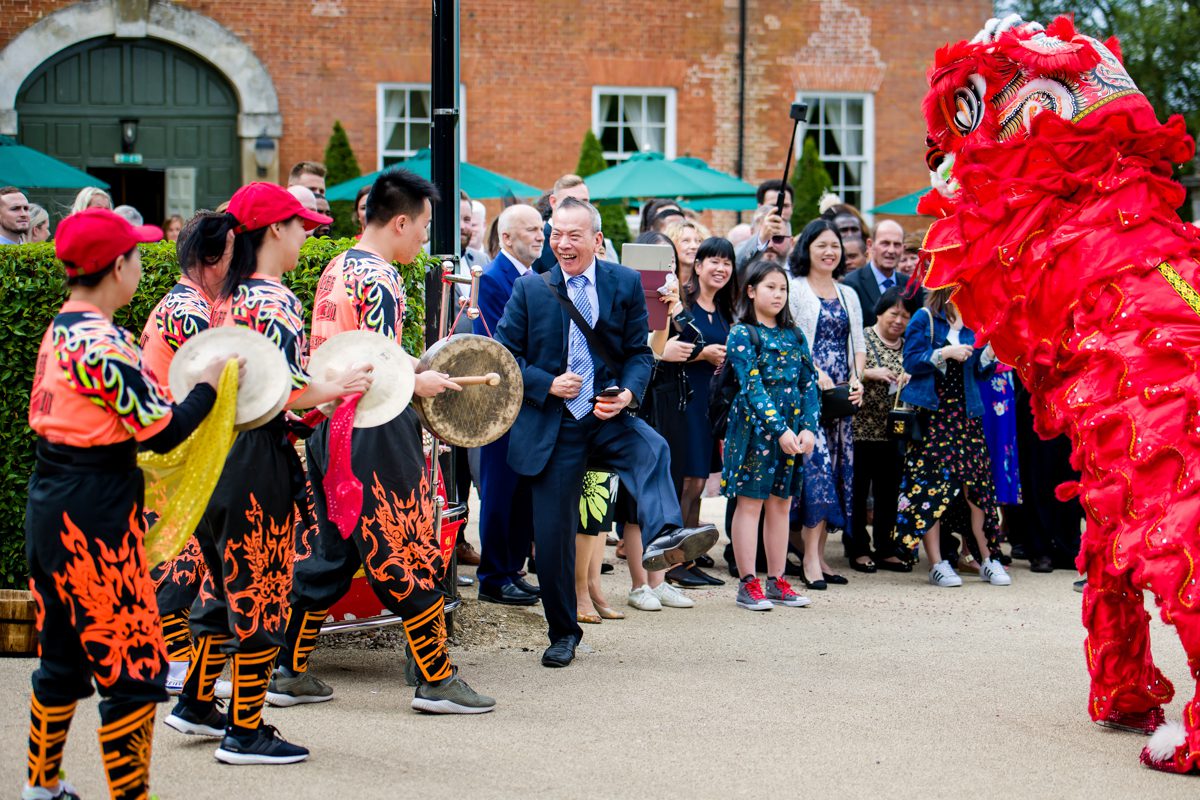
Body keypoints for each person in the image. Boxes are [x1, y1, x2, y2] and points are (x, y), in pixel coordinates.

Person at [22, 208, 232, 800]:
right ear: (117, 267)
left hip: (52, 505)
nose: (142, 264)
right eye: (137, 256)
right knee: (136, 671)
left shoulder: (63, 327)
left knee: (61, 656)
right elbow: (161, 430)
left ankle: (43, 788)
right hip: (94, 517)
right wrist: (209, 385)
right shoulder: (101, 342)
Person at [165, 182, 370, 765]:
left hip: (218, 456)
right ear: (275, 231)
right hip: (256, 459)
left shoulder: (228, 298)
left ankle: (199, 704)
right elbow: (289, 390)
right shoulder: (274, 301)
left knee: (227, 588)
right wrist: (340, 386)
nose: (307, 236)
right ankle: (246, 732)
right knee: (263, 593)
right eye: (301, 226)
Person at [279, 168, 496, 715]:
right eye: (422, 225)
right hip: (374, 427)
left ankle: (289, 670)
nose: (425, 237)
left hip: (336, 427)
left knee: (332, 555)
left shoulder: (337, 267)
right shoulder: (380, 278)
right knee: (407, 547)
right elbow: (377, 360)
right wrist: (418, 380)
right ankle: (436, 679)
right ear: (399, 221)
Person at [495, 197, 718, 667]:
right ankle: (562, 633)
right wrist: (546, 382)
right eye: (556, 234)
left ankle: (664, 536)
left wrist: (629, 395)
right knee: (554, 538)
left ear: (597, 240)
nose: (561, 243)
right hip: (554, 425)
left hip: (607, 414)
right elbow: (504, 355)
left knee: (652, 447)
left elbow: (639, 352)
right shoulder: (531, 289)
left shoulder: (622, 283)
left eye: (573, 235)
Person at [140, 212, 231, 694]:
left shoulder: (183, 304)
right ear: (210, 259)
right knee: (183, 558)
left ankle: (175, 660)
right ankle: (173, 662)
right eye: (233, 253)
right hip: (174, 451)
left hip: (167, 447)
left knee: (184, 555)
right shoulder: (191, 311)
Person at [894, 287, 1011, 588]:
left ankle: (987, 558)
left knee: (977, 491)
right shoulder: (925, 318)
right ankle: (937, 563)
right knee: (931, 491)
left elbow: (981, 372)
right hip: (934, 417)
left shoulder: (974, 322)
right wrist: (945, 352)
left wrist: (990, 351)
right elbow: (910, 361)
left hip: (967, 417)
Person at [722, 258, 820, 611]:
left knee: (782, 503)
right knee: (750, 503)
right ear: (751, 291)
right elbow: (751, 387)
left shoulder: (795, 334)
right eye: (770, 287)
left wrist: (808, 427)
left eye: (783, 288)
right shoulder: (742, 333)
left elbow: (809, 383)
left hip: (791, 429)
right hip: (754, 428)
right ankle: (748, 582)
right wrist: (778, 428)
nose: (778, 294)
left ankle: (777, 580)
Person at [614, 231, 701, 609]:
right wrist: (663, 351)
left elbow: (695, 339)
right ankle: (639, 585)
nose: (664, 271)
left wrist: (675, 309)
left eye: (669, 263)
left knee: (666, 485)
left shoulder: (674, 301)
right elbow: (646, 352)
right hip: (640, 400)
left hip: (670, 401)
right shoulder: (625, 299)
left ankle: (659, 578)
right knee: (635, 502)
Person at [787, 218, 865, 589]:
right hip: (808, 393)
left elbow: (858, 346)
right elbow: (792, 338)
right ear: (807, 249)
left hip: (840, 396)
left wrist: (857, 379)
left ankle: (819, 554)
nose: (830, 251)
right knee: (814, 472)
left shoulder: (848, 293)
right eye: (821, 245)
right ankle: (809, 561)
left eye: (835, 245)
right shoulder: (795, 287)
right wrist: (813, 369)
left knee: (835, 472)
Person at [474, 204, 544, 606]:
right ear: (506, 238)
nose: (540, 236)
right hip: (499, 402)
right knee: (499, 491)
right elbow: (498, 342)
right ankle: (493, 576)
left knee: (521, 492)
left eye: (541, 229)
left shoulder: (534, 277)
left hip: (528, 399)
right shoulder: (493, 279)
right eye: (530, 230)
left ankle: (512, 568)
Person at [671, 236, 735, 586]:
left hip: (711, 404)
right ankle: (675, 559)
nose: (720, 268)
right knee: (688, 480)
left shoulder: (724, 310)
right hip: (686, 400)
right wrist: (703, 354)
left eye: (727, 263)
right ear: (697, 266)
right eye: (713, 261)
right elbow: (667, 348)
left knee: (699, 481)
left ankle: (690, 556)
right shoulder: (682, 305)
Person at [847, 287, 918, 573]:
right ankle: (858, 549)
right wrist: (869, 373)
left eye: (905, 315)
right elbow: (848, 370)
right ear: (880, 312)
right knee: (858, 492)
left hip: (894, 432)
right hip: (861, 430)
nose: (899, 320)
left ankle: (886, 548)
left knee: (889, 493)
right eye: (894, 313)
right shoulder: (863, 339)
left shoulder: (909, 345)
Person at [840, 220, 922, 327]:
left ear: (903, 248)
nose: (891, 250)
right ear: (870, 245)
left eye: (897, 244)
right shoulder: (852, 284)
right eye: (885, 243)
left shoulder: (912, 286)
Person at [530, 174, 590, 273]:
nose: (580, 207)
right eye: (571, 202)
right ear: (553, 202)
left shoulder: (593, 237)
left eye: (584, 202)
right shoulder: (536, 243)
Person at [735, 179, 794, 268]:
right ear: (760, 207)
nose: (780, 212)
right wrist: (761, 238)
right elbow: (737, 262)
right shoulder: (747, 247)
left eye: (785, 206)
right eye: (773, 206)